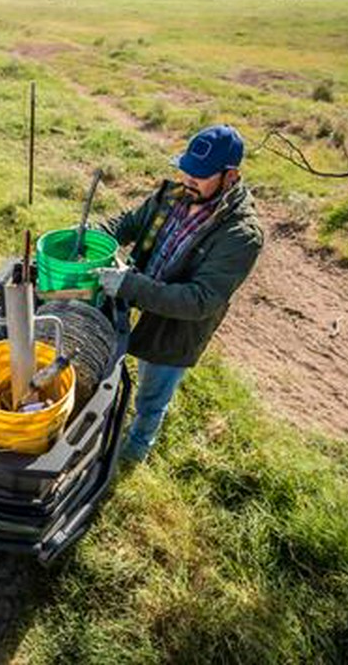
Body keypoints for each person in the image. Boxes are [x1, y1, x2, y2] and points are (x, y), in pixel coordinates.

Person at [94, 124, 264, 462]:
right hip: (134, 293)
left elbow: (200, 300)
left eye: (200, 176)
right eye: (186, 171)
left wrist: (130, 285)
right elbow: (128, 223)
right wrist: (94, 234)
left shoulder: (242, 234)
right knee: (105, 363)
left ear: (231, 177)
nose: (188, 180)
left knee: (151, 395)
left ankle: (136, 449)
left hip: (177, 326)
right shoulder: (173, 195)